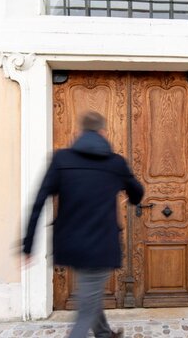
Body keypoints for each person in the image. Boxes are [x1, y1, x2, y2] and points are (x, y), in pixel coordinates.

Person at [23, 111, 144, 338]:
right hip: (101, 245)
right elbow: (138, 192)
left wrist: (28, 244)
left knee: (90, 291)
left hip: (70, 246)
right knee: (85, 310)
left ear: (79, 133)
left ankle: (104, 333)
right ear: (102, 133)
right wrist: (132, 197)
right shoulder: (116, 163)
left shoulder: (61, 159)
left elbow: (39, 201)